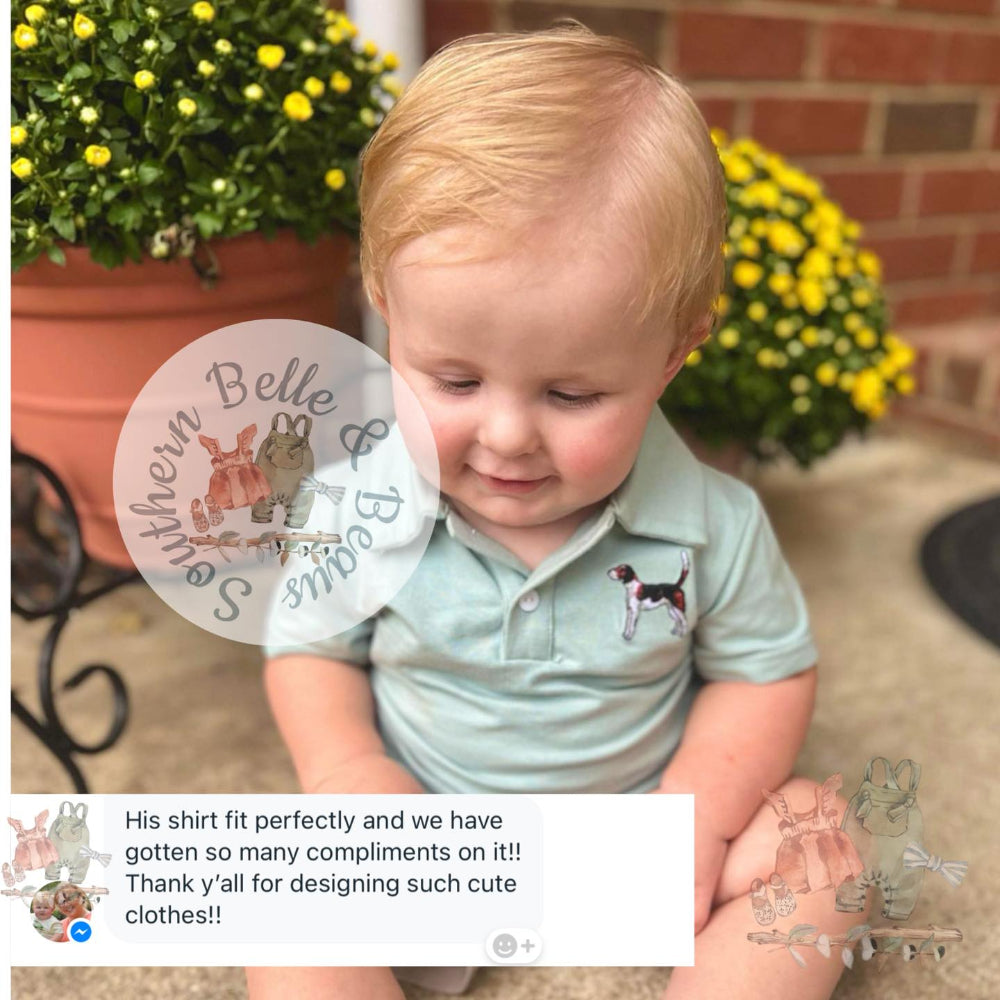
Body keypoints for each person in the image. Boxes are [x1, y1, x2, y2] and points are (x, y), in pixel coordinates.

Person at [250, 21, 865, 1000]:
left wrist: (699, 818)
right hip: (429, 841)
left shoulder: (714, 521)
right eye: (451, 378)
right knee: (283, 893)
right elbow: (311, 651)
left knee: (821, 845)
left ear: (671, 353)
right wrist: (351, 772)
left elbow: (765, 674)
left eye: (570, 395)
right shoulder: (355, 505)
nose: (504, 435)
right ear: (383, 308)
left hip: (642, 844)